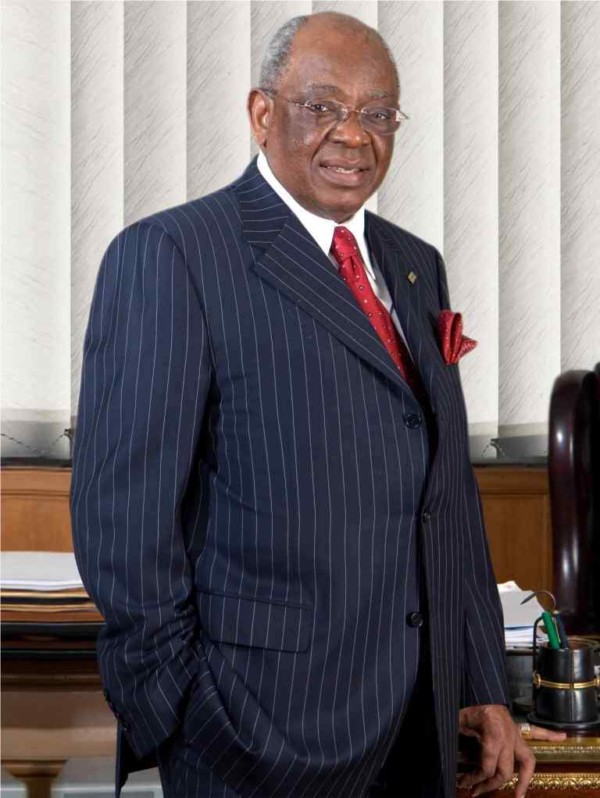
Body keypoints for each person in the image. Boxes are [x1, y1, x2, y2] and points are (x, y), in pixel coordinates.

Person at [71, 11, 565, 798]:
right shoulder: (173, 255)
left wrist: (475, 684)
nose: (354, 135)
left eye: (378, 113)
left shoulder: (415, 265)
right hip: (255, 731)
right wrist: (186, 715)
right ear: (262, 113)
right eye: (322, 106)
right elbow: (122, 522)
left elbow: (446, 495)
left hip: (421, 728)